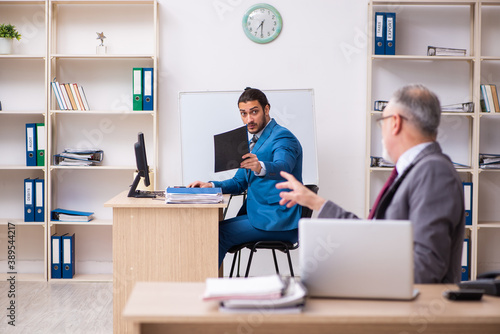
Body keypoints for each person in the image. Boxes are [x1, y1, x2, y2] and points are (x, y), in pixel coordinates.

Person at [277, 84, 465, 284]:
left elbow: (424, 268)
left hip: (410, 308)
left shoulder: (433, 171)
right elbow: (374, 234)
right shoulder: (417, 171)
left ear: (395, 123)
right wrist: (316, 203)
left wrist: (361, 275)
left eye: (381, 121)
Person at [188, 87, 303, 267]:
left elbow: (284, 167)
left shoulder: (282, 137)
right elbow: (239, 182)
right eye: (243, 113)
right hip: (261, 216)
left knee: (216, 235)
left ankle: (205, 289)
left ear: (266, 109)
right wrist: (210, 185)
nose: (248, 119)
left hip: (279, 221)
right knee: (211, 231)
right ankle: (206, 285)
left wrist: (260, 166)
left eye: (254, 112)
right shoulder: (253, 142)